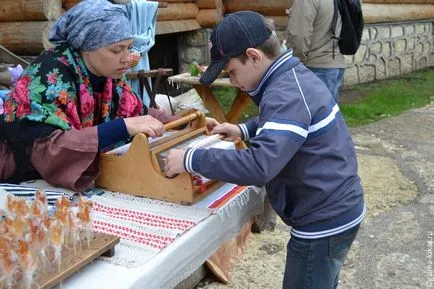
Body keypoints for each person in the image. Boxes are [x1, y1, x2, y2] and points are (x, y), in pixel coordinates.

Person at [164, 11, 365, 289]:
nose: (233, 81)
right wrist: (243, 130)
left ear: (254, 57)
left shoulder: (285, 92)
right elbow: (287, 121)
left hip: (323, 220)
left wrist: (191, 158)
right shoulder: (289, 76)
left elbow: (260, 166)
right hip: (335, 207)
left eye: (232, 72)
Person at [0, 0, 166, 191]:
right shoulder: (49, 74)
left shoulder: (109, 75)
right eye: (116, 50)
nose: (127, 58)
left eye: (129, 47)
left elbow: (137, 111)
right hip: (23, 178)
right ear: (86, 46)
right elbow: (51, 150)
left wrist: (186, 121)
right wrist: (122, 127)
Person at [285, 0, 345, 102]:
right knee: (329, 115)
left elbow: (298, 36)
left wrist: (298, 62)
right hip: (336, 64)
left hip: (315, 66)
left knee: (311, 115)